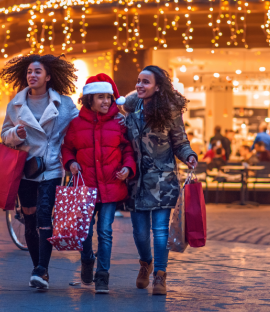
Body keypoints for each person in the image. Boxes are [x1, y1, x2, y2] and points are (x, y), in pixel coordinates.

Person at [0, 54, 80, 290]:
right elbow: (4, 135)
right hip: (25, 171)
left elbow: (78, 129)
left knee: (45, 216)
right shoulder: (15, 104)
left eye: (37, 72)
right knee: (30, 218)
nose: (32, 76)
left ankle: (41, 269)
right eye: (29, 72)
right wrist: (16, 134)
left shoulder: (64, 104)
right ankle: (39, 271)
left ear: (48, 76)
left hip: (52, 168)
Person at [123, 65, 197, 296]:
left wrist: (189, 156)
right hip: (136, 182)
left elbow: (180, 141)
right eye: (138, 81)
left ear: (157, 86)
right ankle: (146, 263)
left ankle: (160, 275)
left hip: (162, 182)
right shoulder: (132, 107)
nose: (140, 85)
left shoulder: (170, 111)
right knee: (140, 233)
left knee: (161, 231)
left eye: (146, 82)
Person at [61, 73, 136, 294]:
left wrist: (128, 168)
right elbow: (67, 148)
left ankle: (102, 276)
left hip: (111, 186)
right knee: (85, 232)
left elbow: (128, 150)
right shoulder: (75, 124)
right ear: (89, 99)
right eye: (101, 97)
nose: (106, 101)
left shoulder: (118, 123)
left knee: (105, 231)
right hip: (85, 187)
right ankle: (87, 260)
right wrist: (71, 162)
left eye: (109, 97)